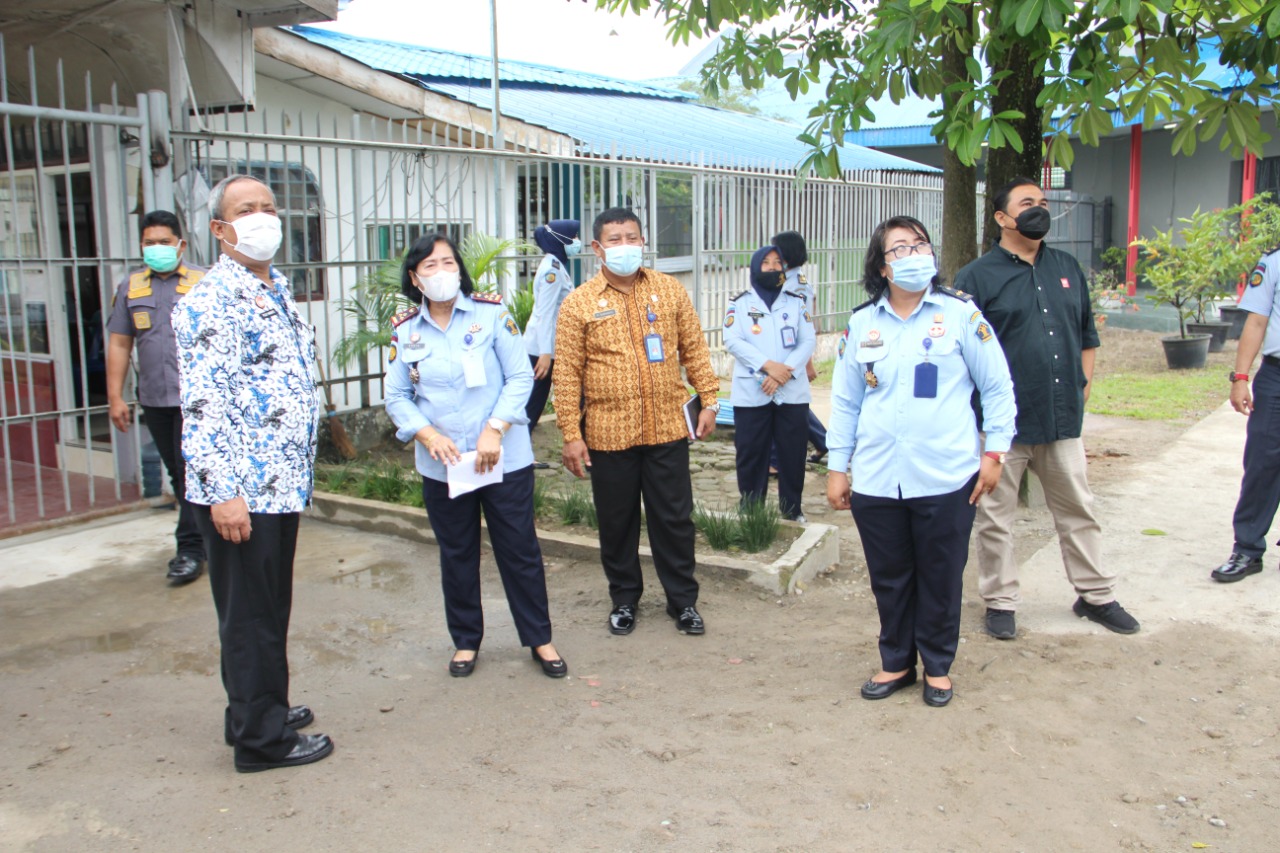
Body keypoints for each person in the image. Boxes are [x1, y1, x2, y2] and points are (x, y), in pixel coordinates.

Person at [173, 175, 333, 773]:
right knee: (250, 618)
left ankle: (259, 708)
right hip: (243, 491)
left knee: (267, 608)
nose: (264, 216)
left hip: (279, 484)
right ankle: (260, 743)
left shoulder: (271, 288)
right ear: (220, 229)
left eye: (269, 207)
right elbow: (205, 406)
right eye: (247, 210)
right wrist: (223, 495)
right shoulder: (211, 302)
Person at [826, 216, 1016, 707]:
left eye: (920, 245)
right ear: (882, 266)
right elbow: (846, 402)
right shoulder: (862, 323)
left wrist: (994, 453)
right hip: (876, 478)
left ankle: (936, 665)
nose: (914, 255)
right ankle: (895, 662)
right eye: (900, 249)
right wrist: (837, 467)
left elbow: (997, 387)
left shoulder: (960, 316)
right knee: (889, 576)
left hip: (946, 475)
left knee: (940, 572)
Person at [955, 177, 1140, 639]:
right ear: (1001, 217)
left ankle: (1095, 596)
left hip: (1061, 419)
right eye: (1027, 203)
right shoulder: (975, 278)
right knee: (995, 518)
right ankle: (1000, 602)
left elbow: (1087, 337)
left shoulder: (1067, 267)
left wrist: (1083, 389)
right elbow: (959, 356)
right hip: (1002, 429)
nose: (1040, 209)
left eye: (1043, 202)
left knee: (1079, 510)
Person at [383, 233, 567, 678]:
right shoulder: (405, 330)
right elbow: (397, 395)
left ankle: (539, 637)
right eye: (430, 266)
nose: (442, 271)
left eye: (448, 262)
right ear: (415, 277)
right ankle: (466, 641)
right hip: (443, 465)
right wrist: (426, 435)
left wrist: (495, 428)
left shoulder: (490, 314)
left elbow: (520, 377)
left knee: (518, 549)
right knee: (457, 552)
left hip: (501, 458)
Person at [553, 207, 720, 636]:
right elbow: (567, 373)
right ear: (597, 248)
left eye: (632, 238)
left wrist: (710, 401)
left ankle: (682, 602)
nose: (624, 246)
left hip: (666, 427)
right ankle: (624, 599)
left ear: (643, 242)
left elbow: (694, 350)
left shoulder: (669, 291)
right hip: (609, 434)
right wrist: (571, 435)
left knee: (674, 520)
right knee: (617, 522)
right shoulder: (578, 304)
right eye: (614, 239)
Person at [105, 210, 207, 585]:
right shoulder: (130, 287)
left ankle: (190, 550)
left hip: (199, 399)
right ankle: (205, 541)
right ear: (141, 246)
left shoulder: (204, 281)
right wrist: (115, 397)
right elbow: (119, 342)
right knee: (180, 474)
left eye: (165, 242)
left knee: (191, 471)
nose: (158, 248)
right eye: (150, 243)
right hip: (156, 398)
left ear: (180, 244)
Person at [723, 244, 815, 521]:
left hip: (791, 391)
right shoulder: (739, 304)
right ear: (754, 267)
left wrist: (784, 372)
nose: (774, 268)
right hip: (752, 391)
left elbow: (807, 340)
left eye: (778, 263)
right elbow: (733, 341)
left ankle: (792, 510)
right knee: (751, 453)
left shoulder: (796, 302)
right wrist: (769, 368)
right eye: (767, 263)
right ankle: (751, 510)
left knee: (792, 454)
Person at [1209, 244, 1280, 583]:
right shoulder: (1273, 262)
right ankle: (1248, 549)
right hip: (1277, 376)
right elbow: (1256, 321)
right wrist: (1240, 378)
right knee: (1262, 461)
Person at [524, 220, 580, 466]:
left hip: (548, 347)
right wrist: (546, 354)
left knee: (537, 401)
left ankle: (520, 455)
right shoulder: (552, 271)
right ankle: (519, 456)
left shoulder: (555, 266)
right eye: (574, 236)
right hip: (542, 350)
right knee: (533, 402)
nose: (577, 241)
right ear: (562, 240)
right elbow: (546, 313)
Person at [772, 230, 828, 462]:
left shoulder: (797, 286)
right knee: (788, 402)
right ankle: (823, 441)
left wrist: (807, 363)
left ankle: (775, 461)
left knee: (781, 403)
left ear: (785, 255)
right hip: (784, 353)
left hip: (791, 354)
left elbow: (802, 327)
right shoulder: (787, 280)